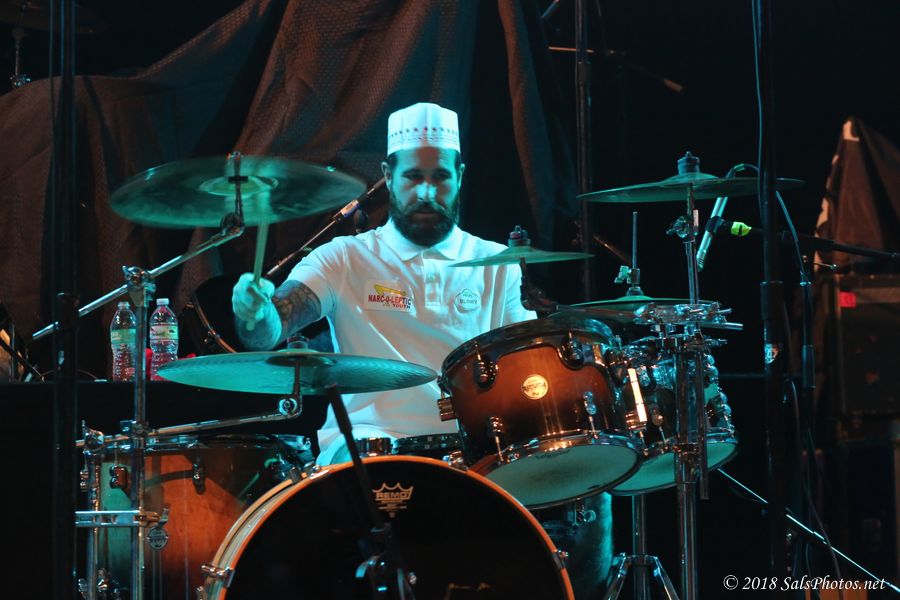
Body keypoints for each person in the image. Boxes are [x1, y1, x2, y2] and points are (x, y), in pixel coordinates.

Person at [231, 102, 612, 598]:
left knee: (591, 490)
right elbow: (272, 327)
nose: (427, 192)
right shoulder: (344, 257)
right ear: (388, 176)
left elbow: (524, 366)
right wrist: (254, 314)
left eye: (440, 177)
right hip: (364, 451)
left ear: (461, 176)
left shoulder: (495, 261)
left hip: (473, 457)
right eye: (413, 177)